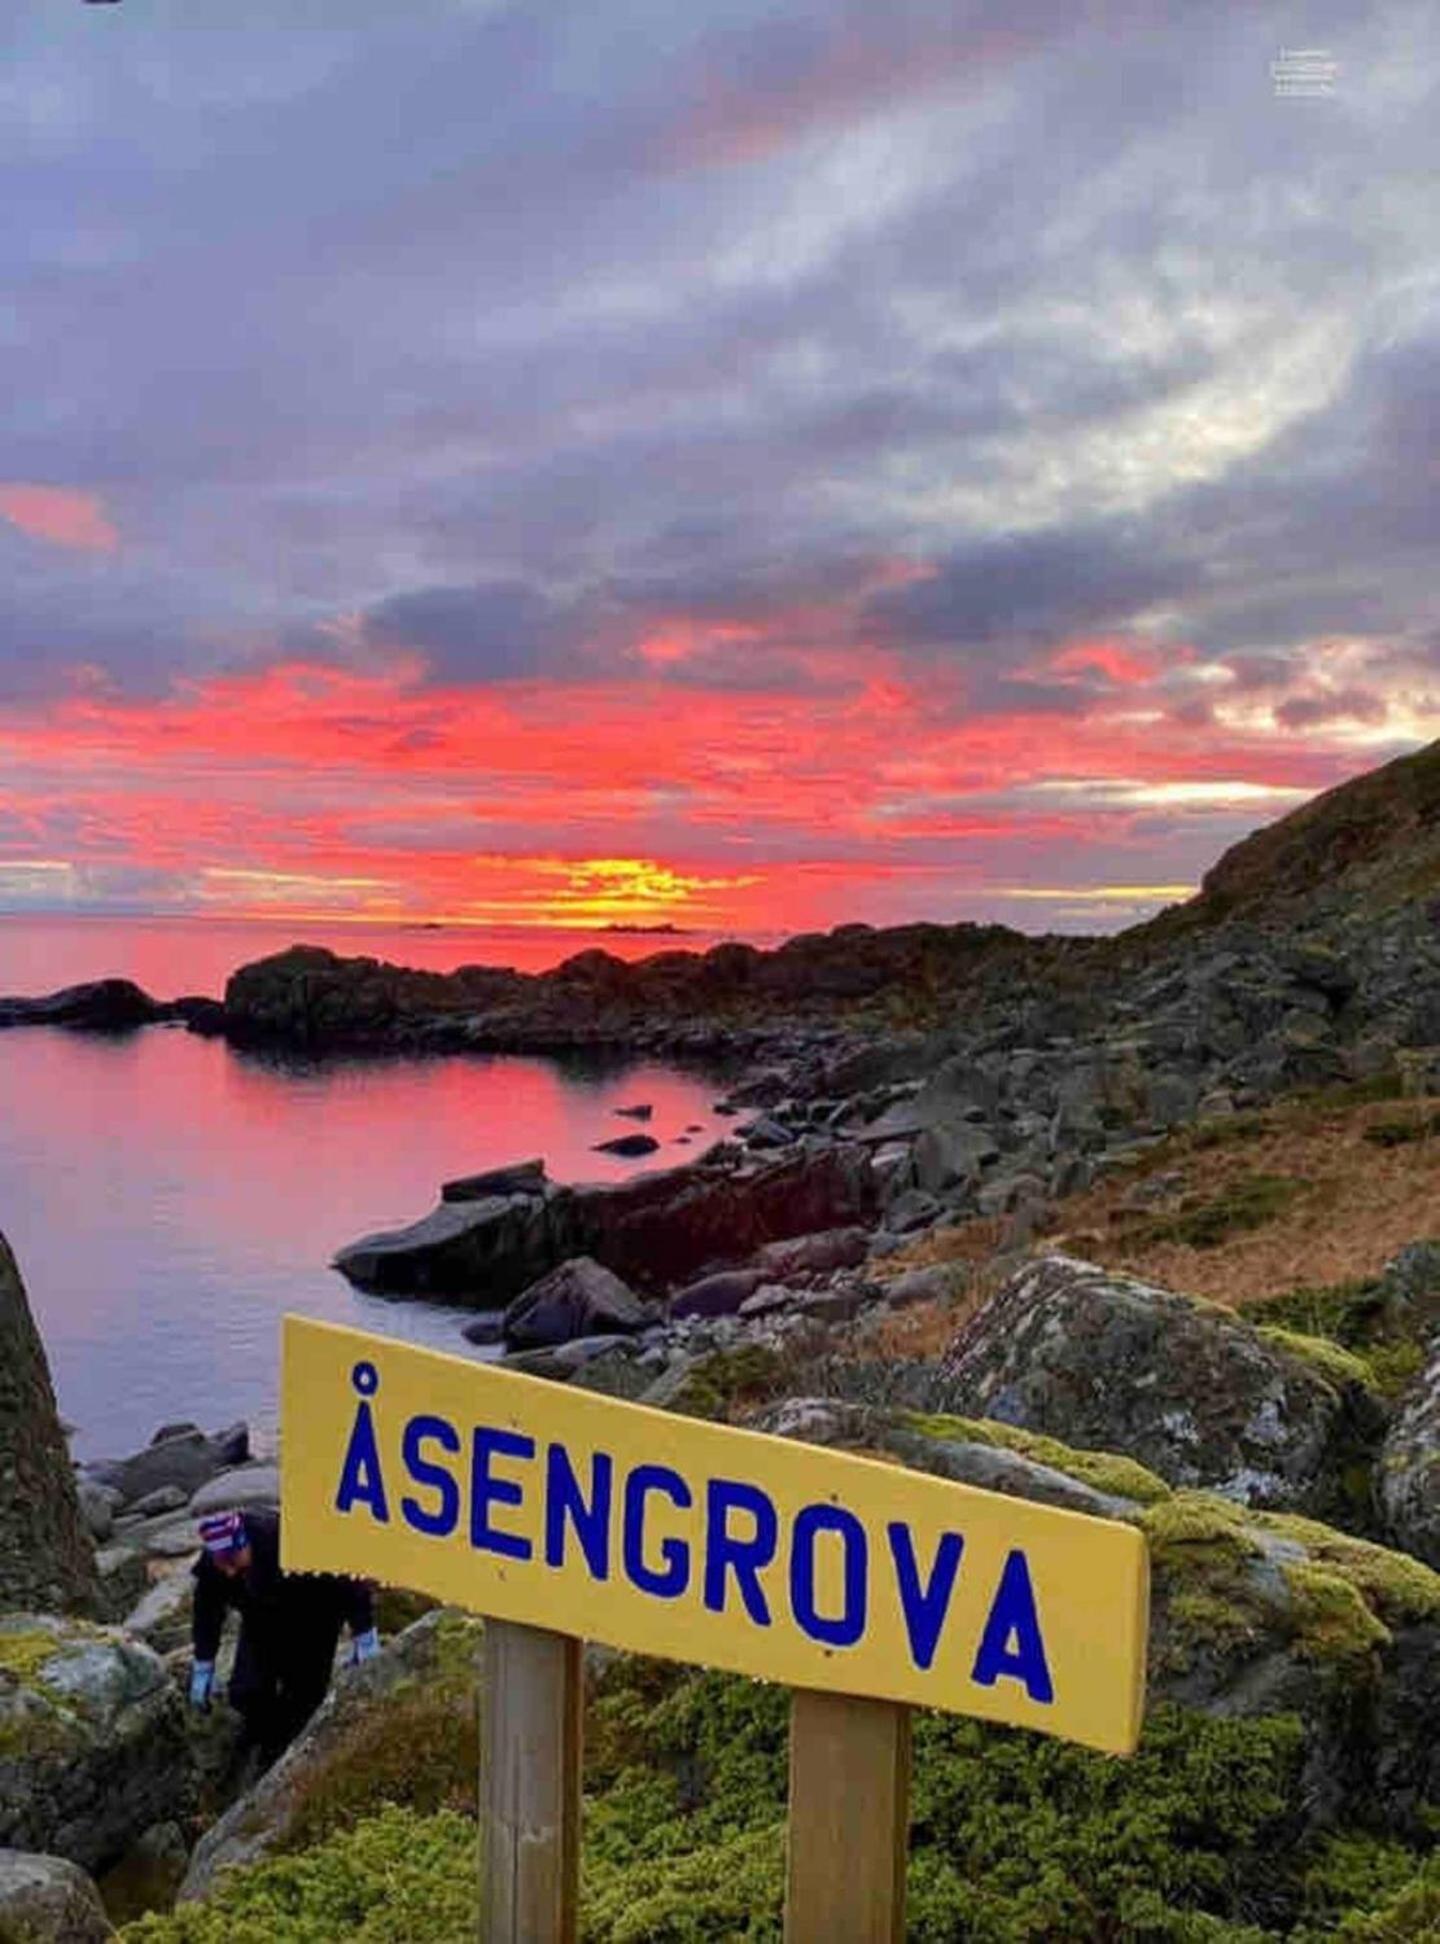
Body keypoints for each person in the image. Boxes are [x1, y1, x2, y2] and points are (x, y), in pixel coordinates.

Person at [188, 1507, 380, 1766]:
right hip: (261, 1618)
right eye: (223, 1565)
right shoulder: (217, 1563)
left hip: (316, 1615)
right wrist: (204, 1663)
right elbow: (207, 1610)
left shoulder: (289, 1539)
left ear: (246, 1543)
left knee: (303, 1697)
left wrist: (364, 1633)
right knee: (247, 1691)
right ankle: (262, 1740)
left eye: (233, 1562)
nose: (229, 1573)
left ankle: (292, 1759)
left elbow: (346, 1578)